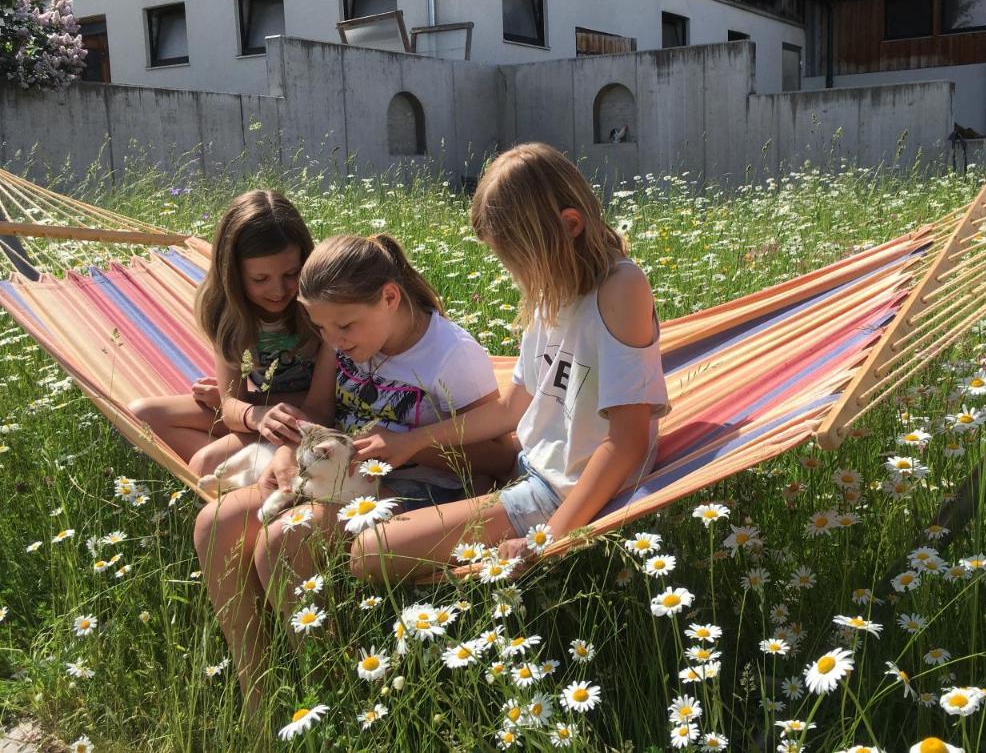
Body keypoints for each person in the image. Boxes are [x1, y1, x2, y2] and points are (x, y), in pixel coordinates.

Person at [193, 232, 507, 713]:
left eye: (344, 327)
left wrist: (411, 447)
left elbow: (501, 460)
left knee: (283, 541)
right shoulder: (340, 341)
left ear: (389, 297)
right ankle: (256, 687)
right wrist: (287, 450)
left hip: (424, 493)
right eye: (321, 329)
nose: (334, 341)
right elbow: (319, 410)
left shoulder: (451, 355)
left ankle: (332, 702)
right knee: (216, 522)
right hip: (343, 477)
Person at [345, 142, 670, 584]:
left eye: (516, 260)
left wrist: (544, 543)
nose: (513, 274)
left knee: (370, 553)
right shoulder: (556, 287)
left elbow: (626, 443)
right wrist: (413, 442)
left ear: (569, 226)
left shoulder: (621, 287)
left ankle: (487, 552)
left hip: (561, 489)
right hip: (528, 462)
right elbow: (511, 408)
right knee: (358, 519)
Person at [129, 190, 318, 471]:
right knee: (141, 415)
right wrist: (253, 412)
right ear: (233, 274)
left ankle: (244, 470)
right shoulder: (225, 311)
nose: (278, 290)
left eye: (291, 274)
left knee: (205, 463)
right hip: (263, 414)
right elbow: (231, 406)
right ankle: (255, 468)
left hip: (315, 419)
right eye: (260, 278)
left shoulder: (318, 302)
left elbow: (327, 402)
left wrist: (250, 404)